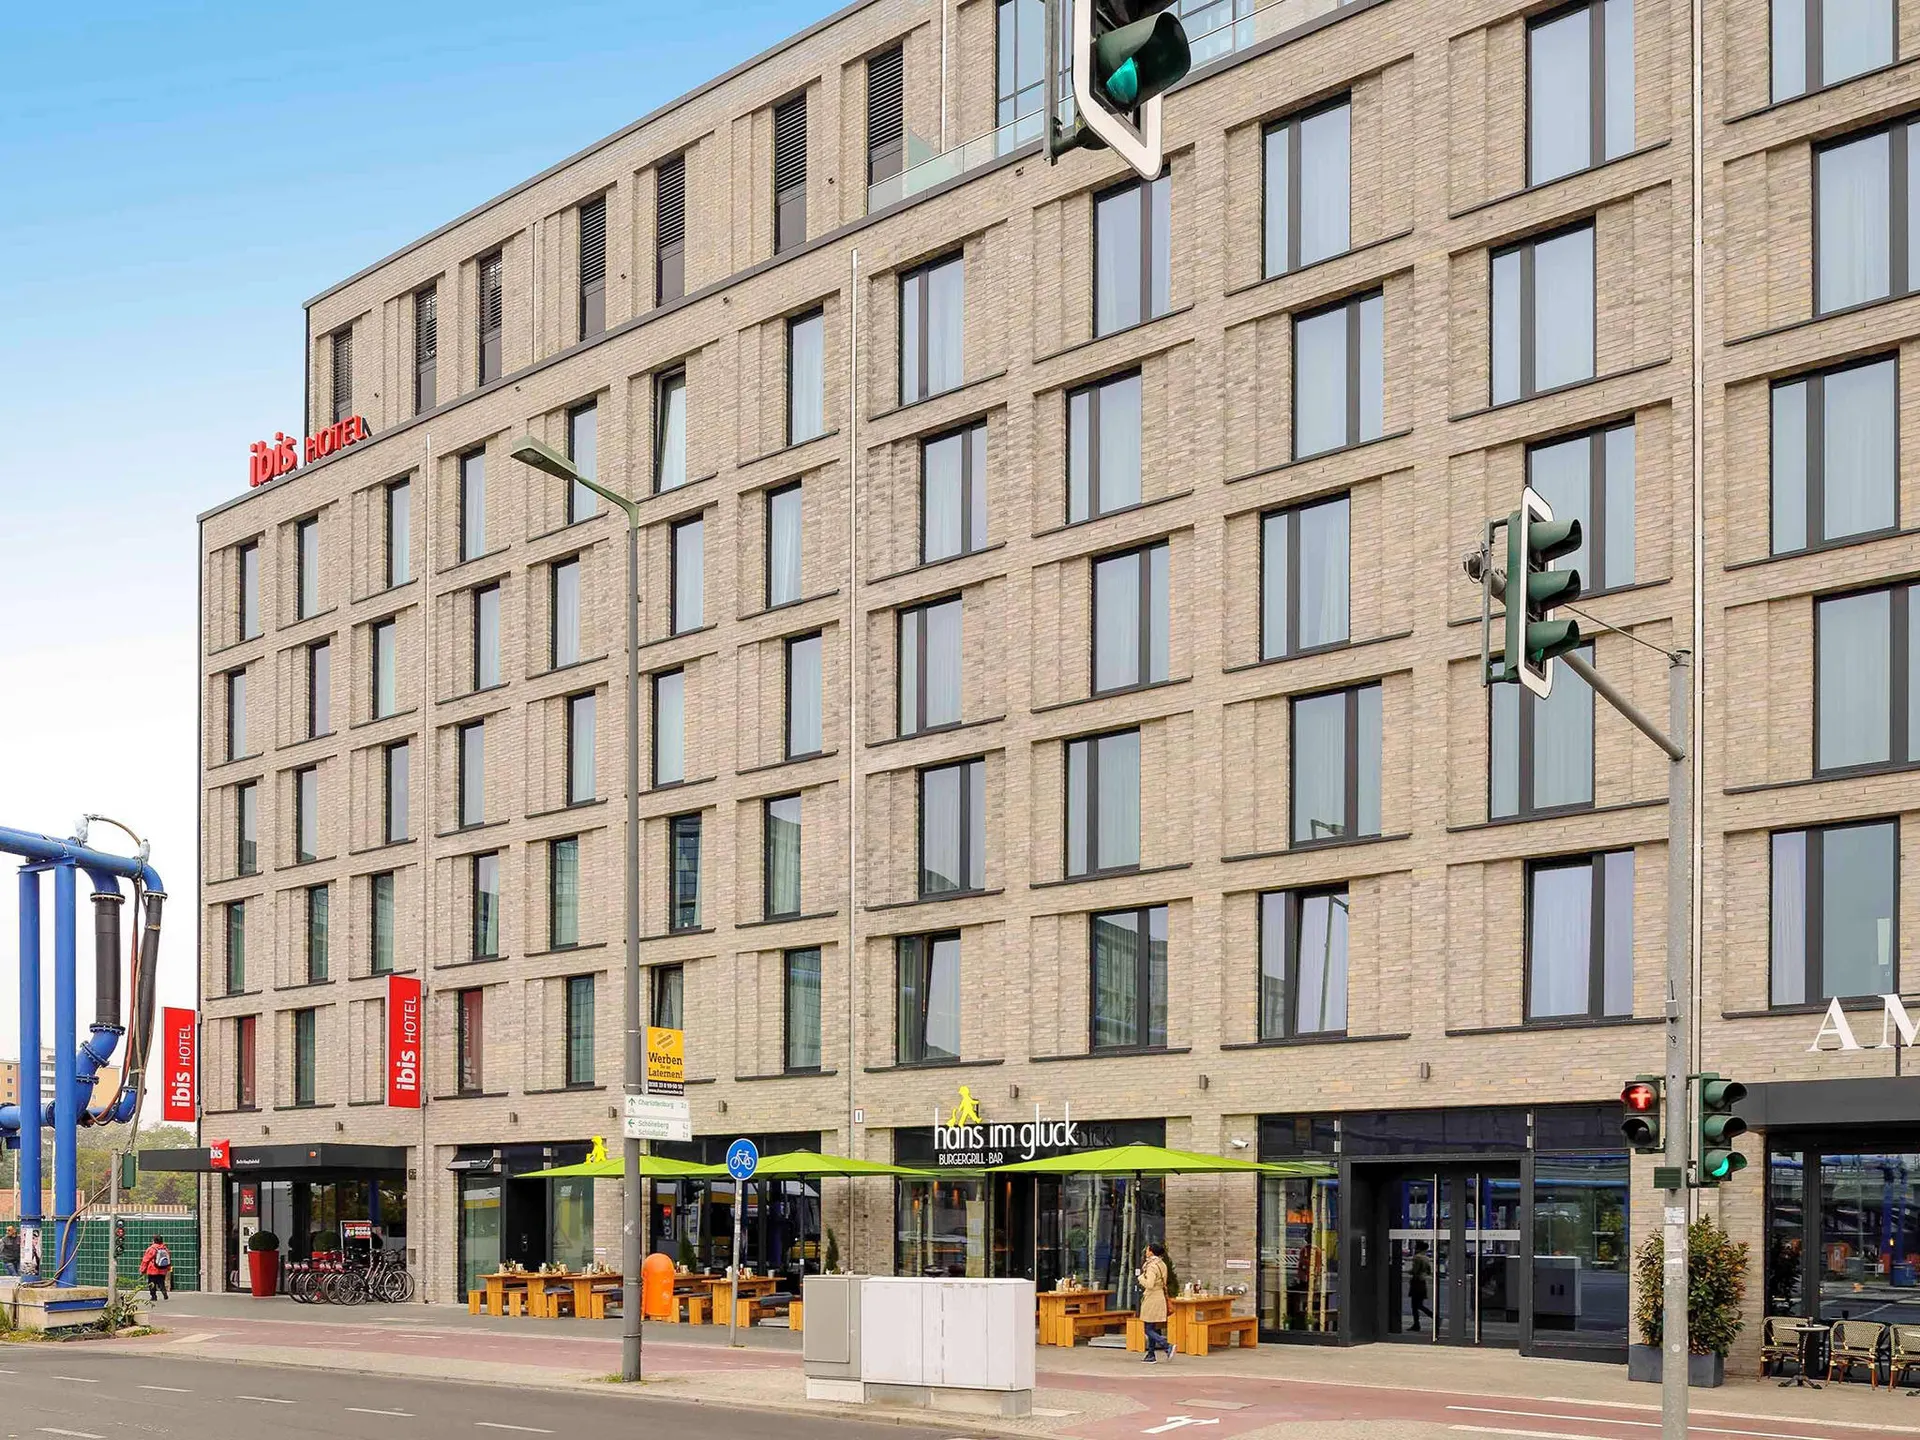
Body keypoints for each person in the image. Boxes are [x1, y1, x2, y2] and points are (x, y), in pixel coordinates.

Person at [1137, 1242, 1174, 1362]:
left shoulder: (1152, 1266)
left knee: (1148, 1329)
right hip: (1159, 1296)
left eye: (1147, 1250)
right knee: (1151, 1326)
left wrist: (1140, 1278)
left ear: (1151, 1252)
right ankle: (1151, 1354)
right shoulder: (1162, 1264)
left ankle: (1166, 1345)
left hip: (1152, 1297)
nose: (1146, 1252)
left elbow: (1149, 1284)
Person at [140, 1234, 172, 1301]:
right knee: (161, 1282)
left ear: (154, 1241)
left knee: (152, 1283)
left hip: (152, 1269)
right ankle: (164, 1292)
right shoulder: (165, 1249)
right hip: (162, 1269)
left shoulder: (151, 1249)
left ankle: (153, 1296)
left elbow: (145, 1260)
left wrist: (142, 1269)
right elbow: (168, 1259)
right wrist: (168, 1268)